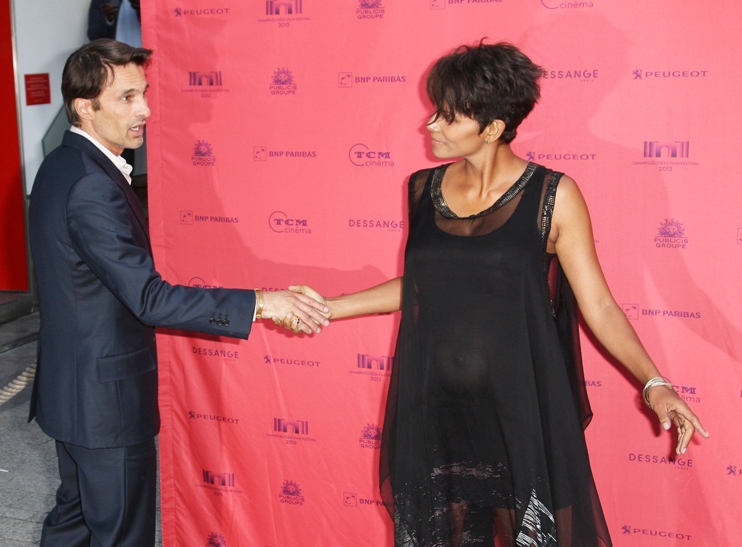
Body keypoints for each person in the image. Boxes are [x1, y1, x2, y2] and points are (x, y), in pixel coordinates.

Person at [291, 40, 708, 546]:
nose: (431, 126)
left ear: (491, 129)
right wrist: (326, 308)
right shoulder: (421, 189)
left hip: (520, 408)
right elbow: (426, 286)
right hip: (436, 406)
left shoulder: (554, 196)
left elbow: (598, 304)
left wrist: (653, 382)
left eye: (448, 117)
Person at [28, 38, 328, 547]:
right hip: (106, 405)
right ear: (85, 107)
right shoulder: (91, 184)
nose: (144, 109)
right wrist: (262, 302)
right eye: (126, 97)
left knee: (73, 525)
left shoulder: (62, 165)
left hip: (74, 395)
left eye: (144, 93)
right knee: (120, 534)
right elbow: (149, 298)